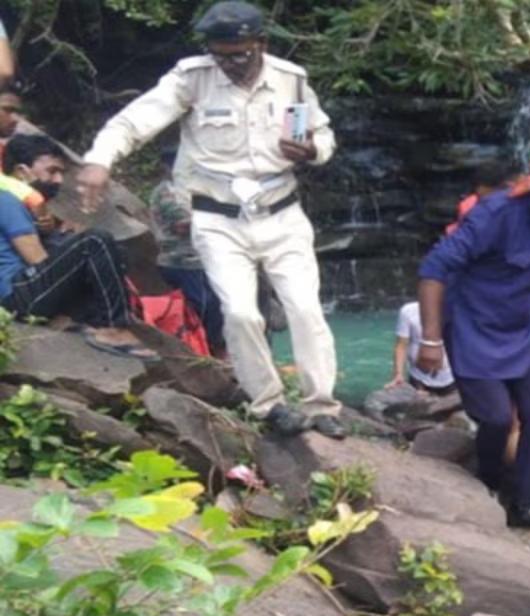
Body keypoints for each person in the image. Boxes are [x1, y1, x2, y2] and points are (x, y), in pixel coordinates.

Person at [75, 1, 344, 438]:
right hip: (219, 219)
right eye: (221, 55)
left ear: (261, 43)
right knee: (240, 313)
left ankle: (322, 406)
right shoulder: (192, 78)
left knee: (305, 308)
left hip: (281, 212)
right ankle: (269, 404)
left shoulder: (291, 79)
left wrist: (313, 149)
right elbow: (134, 121)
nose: (230, 64)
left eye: (240, 54)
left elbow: (323, 133)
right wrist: (99, 160)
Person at [416, 154, 530, 529]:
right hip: (473, 328)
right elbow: (433, 269)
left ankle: (524, 505)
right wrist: (430, 339)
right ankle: (488, 486)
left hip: (523, 333)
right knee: (495, 418)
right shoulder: (494, 215)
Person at [0, 135, 152, 358]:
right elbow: (37, 260)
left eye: (61, 173)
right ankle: (114, 328)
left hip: (24, 290)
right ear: (22, 171)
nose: (59, 180)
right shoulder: (7, 202)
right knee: (94, 242)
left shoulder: (25, 206)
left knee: (108, 251)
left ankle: (90, 321)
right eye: (52, 171)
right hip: (14, 295)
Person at [149, 148, 225, 357]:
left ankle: (216, 346)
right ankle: (207, 349)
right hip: (180, 260)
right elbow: (182, 225)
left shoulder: (194, 189)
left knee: (222, 302)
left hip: (203, 259)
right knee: (204, 305)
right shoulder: (166, 193)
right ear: (166, 167)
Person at [389, 300, 454, 394]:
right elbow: (401, 345)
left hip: (452, 377)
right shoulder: (408, 311)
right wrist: (398, 374)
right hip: (418, 378)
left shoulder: (456, 310)